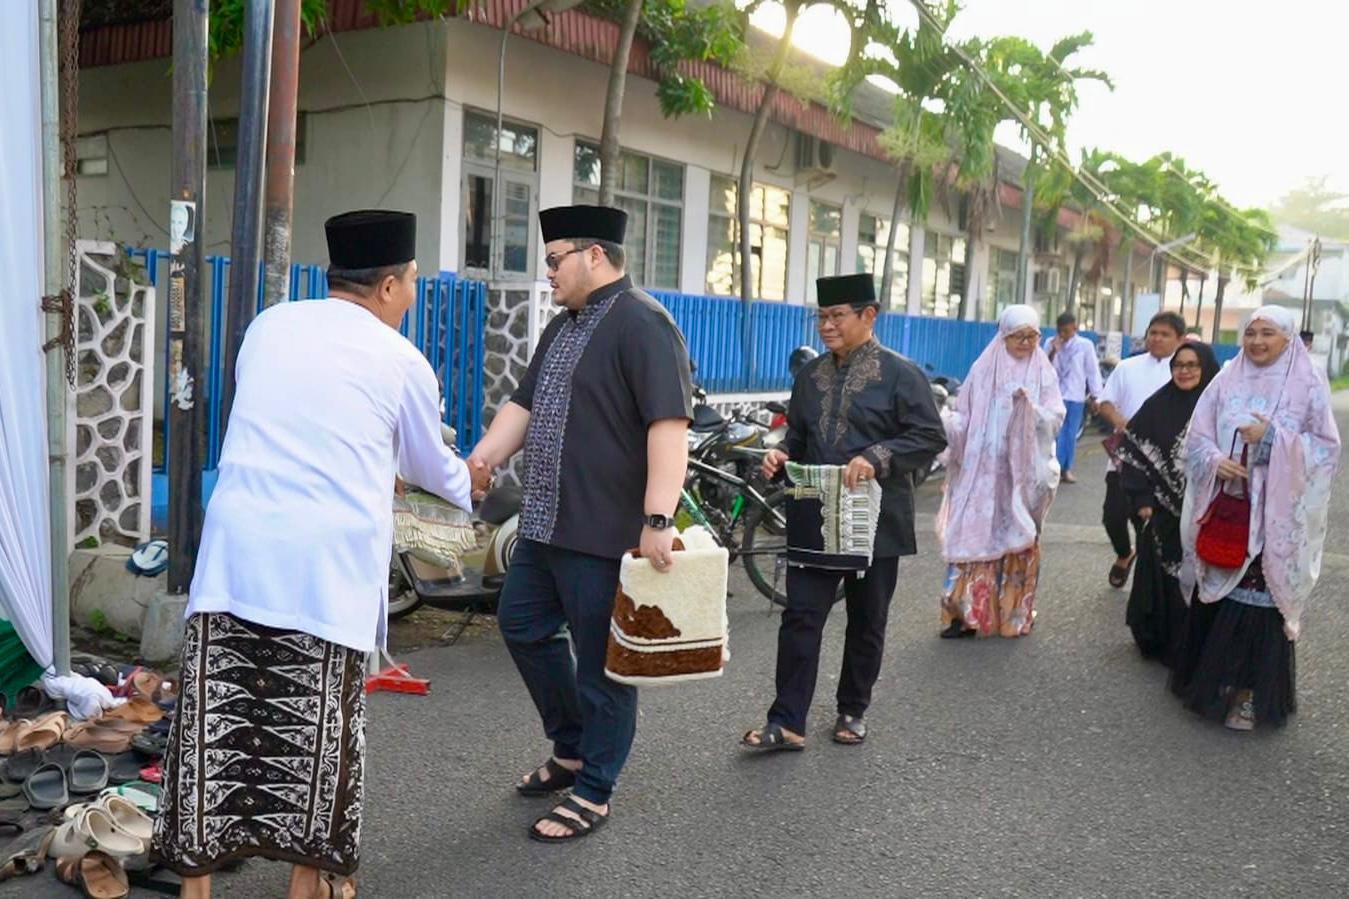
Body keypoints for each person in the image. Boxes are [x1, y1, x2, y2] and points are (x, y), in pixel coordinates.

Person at [153, 211, 484, 899]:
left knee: (215, 727)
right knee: (315, 738)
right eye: (415, 283)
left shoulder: (269, 327)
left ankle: (196, 890)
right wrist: (471, 478)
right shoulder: (401, 359)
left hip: (236, 558)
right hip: (322, 573)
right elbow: (432, 466)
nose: (414, 295)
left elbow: (295, 419)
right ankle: (309, 884)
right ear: (391, 285)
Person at [468, 205, 693, 842]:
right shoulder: (563, 326)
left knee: (603, 664)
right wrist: (486, 455)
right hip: (544, 521)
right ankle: (571, 746)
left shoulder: (644, 324)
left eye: (554, 259)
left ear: (595, 255)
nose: (548, 275)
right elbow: (524, 401)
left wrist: (658, 517)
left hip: (604, 531)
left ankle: (595, 786)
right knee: (522, 624)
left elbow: (668, 425)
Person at [741, 273, 946, 751]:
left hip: (877, 518)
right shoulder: (809, 378)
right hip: (816, 512)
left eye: (837, 316)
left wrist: (876, 458)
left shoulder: (901, 374)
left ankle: (852, 708)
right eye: (822, 317)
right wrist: (780, 454)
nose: (826, 326)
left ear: (868, 316)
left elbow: (929, 437)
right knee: (801, 614)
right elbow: (797, 436)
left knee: (867, 617)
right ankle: (787, 720)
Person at [1171, 306, 1340, 730]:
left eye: (1268, 333)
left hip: (1276, 518)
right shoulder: (1227, 377)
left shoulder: (1308, 382)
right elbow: (1197, 435)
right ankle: (1216, 681)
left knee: (1259, 604)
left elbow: (1325, 448)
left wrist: (1273, 442)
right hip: (1231, 507)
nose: (1258, 342)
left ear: (1288, 339)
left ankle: (1249, 693)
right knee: (1223, 593)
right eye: (1251, 333)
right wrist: (1213, 459)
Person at [937, 305, 1066, 639]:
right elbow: (963, 415)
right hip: (983, 471)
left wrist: (1032, 411)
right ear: (1003, 336)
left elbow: (1055, 417)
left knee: (1019, 536)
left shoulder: (1044, 371)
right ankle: (963, 615)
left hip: (1022, 472)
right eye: (1017, 336)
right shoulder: (983, 370)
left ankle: (1014, 615)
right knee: (973, 533)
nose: (1025, 342)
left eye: (1031, 336)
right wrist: (948, 427)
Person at [1117, 342, 1220, 663]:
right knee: (1162, 573)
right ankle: (1157, 638)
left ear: (1206, 369)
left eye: (1192, 365)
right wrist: (1143, 499)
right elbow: (1132, 454)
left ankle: (1194, 643)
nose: (1185, 371)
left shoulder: (1218, 407)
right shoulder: (1157, 406)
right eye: (1179, 365)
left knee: (1201, 575)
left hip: (1207, 513)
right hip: (1162, 513)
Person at [1096, 312, 1185, 588]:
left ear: (1180, 339)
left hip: (1167, 463)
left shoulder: (1186, 371)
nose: (1156, 338)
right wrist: (1121, 423)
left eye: (1165, 334)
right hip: (1126, 457)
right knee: (1112, 515)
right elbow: (1106, 403)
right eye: (1153, 332)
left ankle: (1150, 584)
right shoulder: (1127, 367)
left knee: (1148, 523)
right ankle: (1124, 554)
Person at [1044, 312, 1102, 484]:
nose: (1063, 335)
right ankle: (1053, 468)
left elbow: (1092, 371)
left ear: (1075, 329)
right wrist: (1054, 350)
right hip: (1054, 395)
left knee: (1070, 434)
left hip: (1075, 396)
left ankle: (1066, 469)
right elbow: (1043, 366)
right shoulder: (1049, 343)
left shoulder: (1085, 345)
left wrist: (1096, 395)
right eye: (1060, 331)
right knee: (1054, 433)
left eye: (1067, 331)